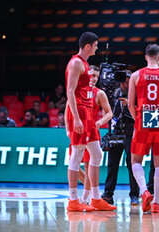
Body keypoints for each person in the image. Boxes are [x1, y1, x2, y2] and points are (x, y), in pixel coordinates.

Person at [65, 31, 116, 212]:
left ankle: (95, 198)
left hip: (88, 113)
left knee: (97, 155)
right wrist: (76, 119)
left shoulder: (85, 64)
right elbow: (70, 92)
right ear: (87, 46)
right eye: (95, 46)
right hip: (79, 112)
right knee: (77, 155)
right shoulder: (76, 63)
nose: (96, 49)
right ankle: (73, 200)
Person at [128, 43, 159, 214]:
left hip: (144, 116)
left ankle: (144, 191)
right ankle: (156, 202)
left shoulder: (135, 75)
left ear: (145, 56)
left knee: (135, 160)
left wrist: (138, 120)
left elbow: (129, 104)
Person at [101, 71, 140, 206]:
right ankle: (107, 194)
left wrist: (129, 105)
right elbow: (106, 112)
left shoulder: (137, 93)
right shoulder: (113, 93)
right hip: (116, 132)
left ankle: (135, 195)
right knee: (112, 165)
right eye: (122, 81)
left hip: (131, 133)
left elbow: (141, 113)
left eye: (127, 80)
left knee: (132, 165)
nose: (125, 84)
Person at [75, 65, 113, 205]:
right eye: (92, 75)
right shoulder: (77, 90)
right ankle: (89, 191)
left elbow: (109, 113)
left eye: (96, 76)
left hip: (91, 131)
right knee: (74, 165)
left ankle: (85, 197)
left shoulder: (99, 93)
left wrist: (99, 122)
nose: (94, 78)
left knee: (88, 164)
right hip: (78, 131)